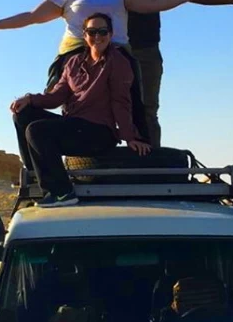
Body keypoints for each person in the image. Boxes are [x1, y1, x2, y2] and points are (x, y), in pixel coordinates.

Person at [6, 0, 233, 146]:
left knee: (144, 108)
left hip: (143, 51)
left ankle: (149, 160)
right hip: (97, 49)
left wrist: (230, 0)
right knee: (75, 101)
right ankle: (74, 158)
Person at [0, 0, 215, 141]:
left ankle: (140, 150)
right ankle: (49, 157)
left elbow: (152, 5)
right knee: (59, 101)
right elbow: (33, 17)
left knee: (134, 102)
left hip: (116, 52)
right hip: (75, 56)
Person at [10, 13, 148, 208]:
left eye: (103, 31)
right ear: (85, 35)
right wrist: (29, 99)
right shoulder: (73, 63)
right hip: (73, 126)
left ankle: (62, 192)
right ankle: (35, 175)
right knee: (23, 115)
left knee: (37, 130)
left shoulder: (118, 62)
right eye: (92, 31)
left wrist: (130, 136)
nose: (97, 36)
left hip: (99, 133)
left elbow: (121, 102)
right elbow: (56, 97)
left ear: (111, 34)